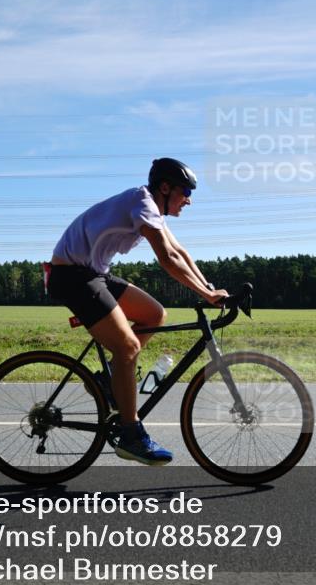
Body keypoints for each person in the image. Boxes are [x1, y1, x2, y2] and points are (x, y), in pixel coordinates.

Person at [47, 158, 228, 466]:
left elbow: (180, 251)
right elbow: (168, 259)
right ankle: (131, 436)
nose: (189, 199)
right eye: (186, 191)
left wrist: (209, 287)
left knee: (155, 315)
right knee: (128, 346)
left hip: (93, 273)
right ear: (165, 187)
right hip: (72, 276)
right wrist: (206, 295)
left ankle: (112, 380)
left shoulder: (152, 209)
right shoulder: (142, 202)